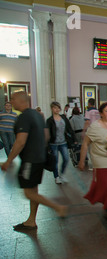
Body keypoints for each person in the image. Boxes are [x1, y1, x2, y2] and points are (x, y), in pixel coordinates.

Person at [1, 91, 67, 231]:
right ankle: (31, 220)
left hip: (30, 161)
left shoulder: (24, 117)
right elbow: (46, 135)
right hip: (39, 159)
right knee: (33, 191)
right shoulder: (37, 114)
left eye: (13, 99)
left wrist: (8, 161)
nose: (11, 102)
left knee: (29, 193)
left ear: (21, 100)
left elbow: (20, 142)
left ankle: (58, 207)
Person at [46, 101, 76, 184]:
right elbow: (47, 133)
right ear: (52, 109)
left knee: (66, 159)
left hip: (63, 142)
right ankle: (56, 177)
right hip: (53, 143)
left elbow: (69, 129)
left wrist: (74, 139)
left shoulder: (63, 118)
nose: (57, 109)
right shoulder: (49, 120)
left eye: (58, 107)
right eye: (55, 108)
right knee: (55, 161)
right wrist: (47, 144)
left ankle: (62, 174)